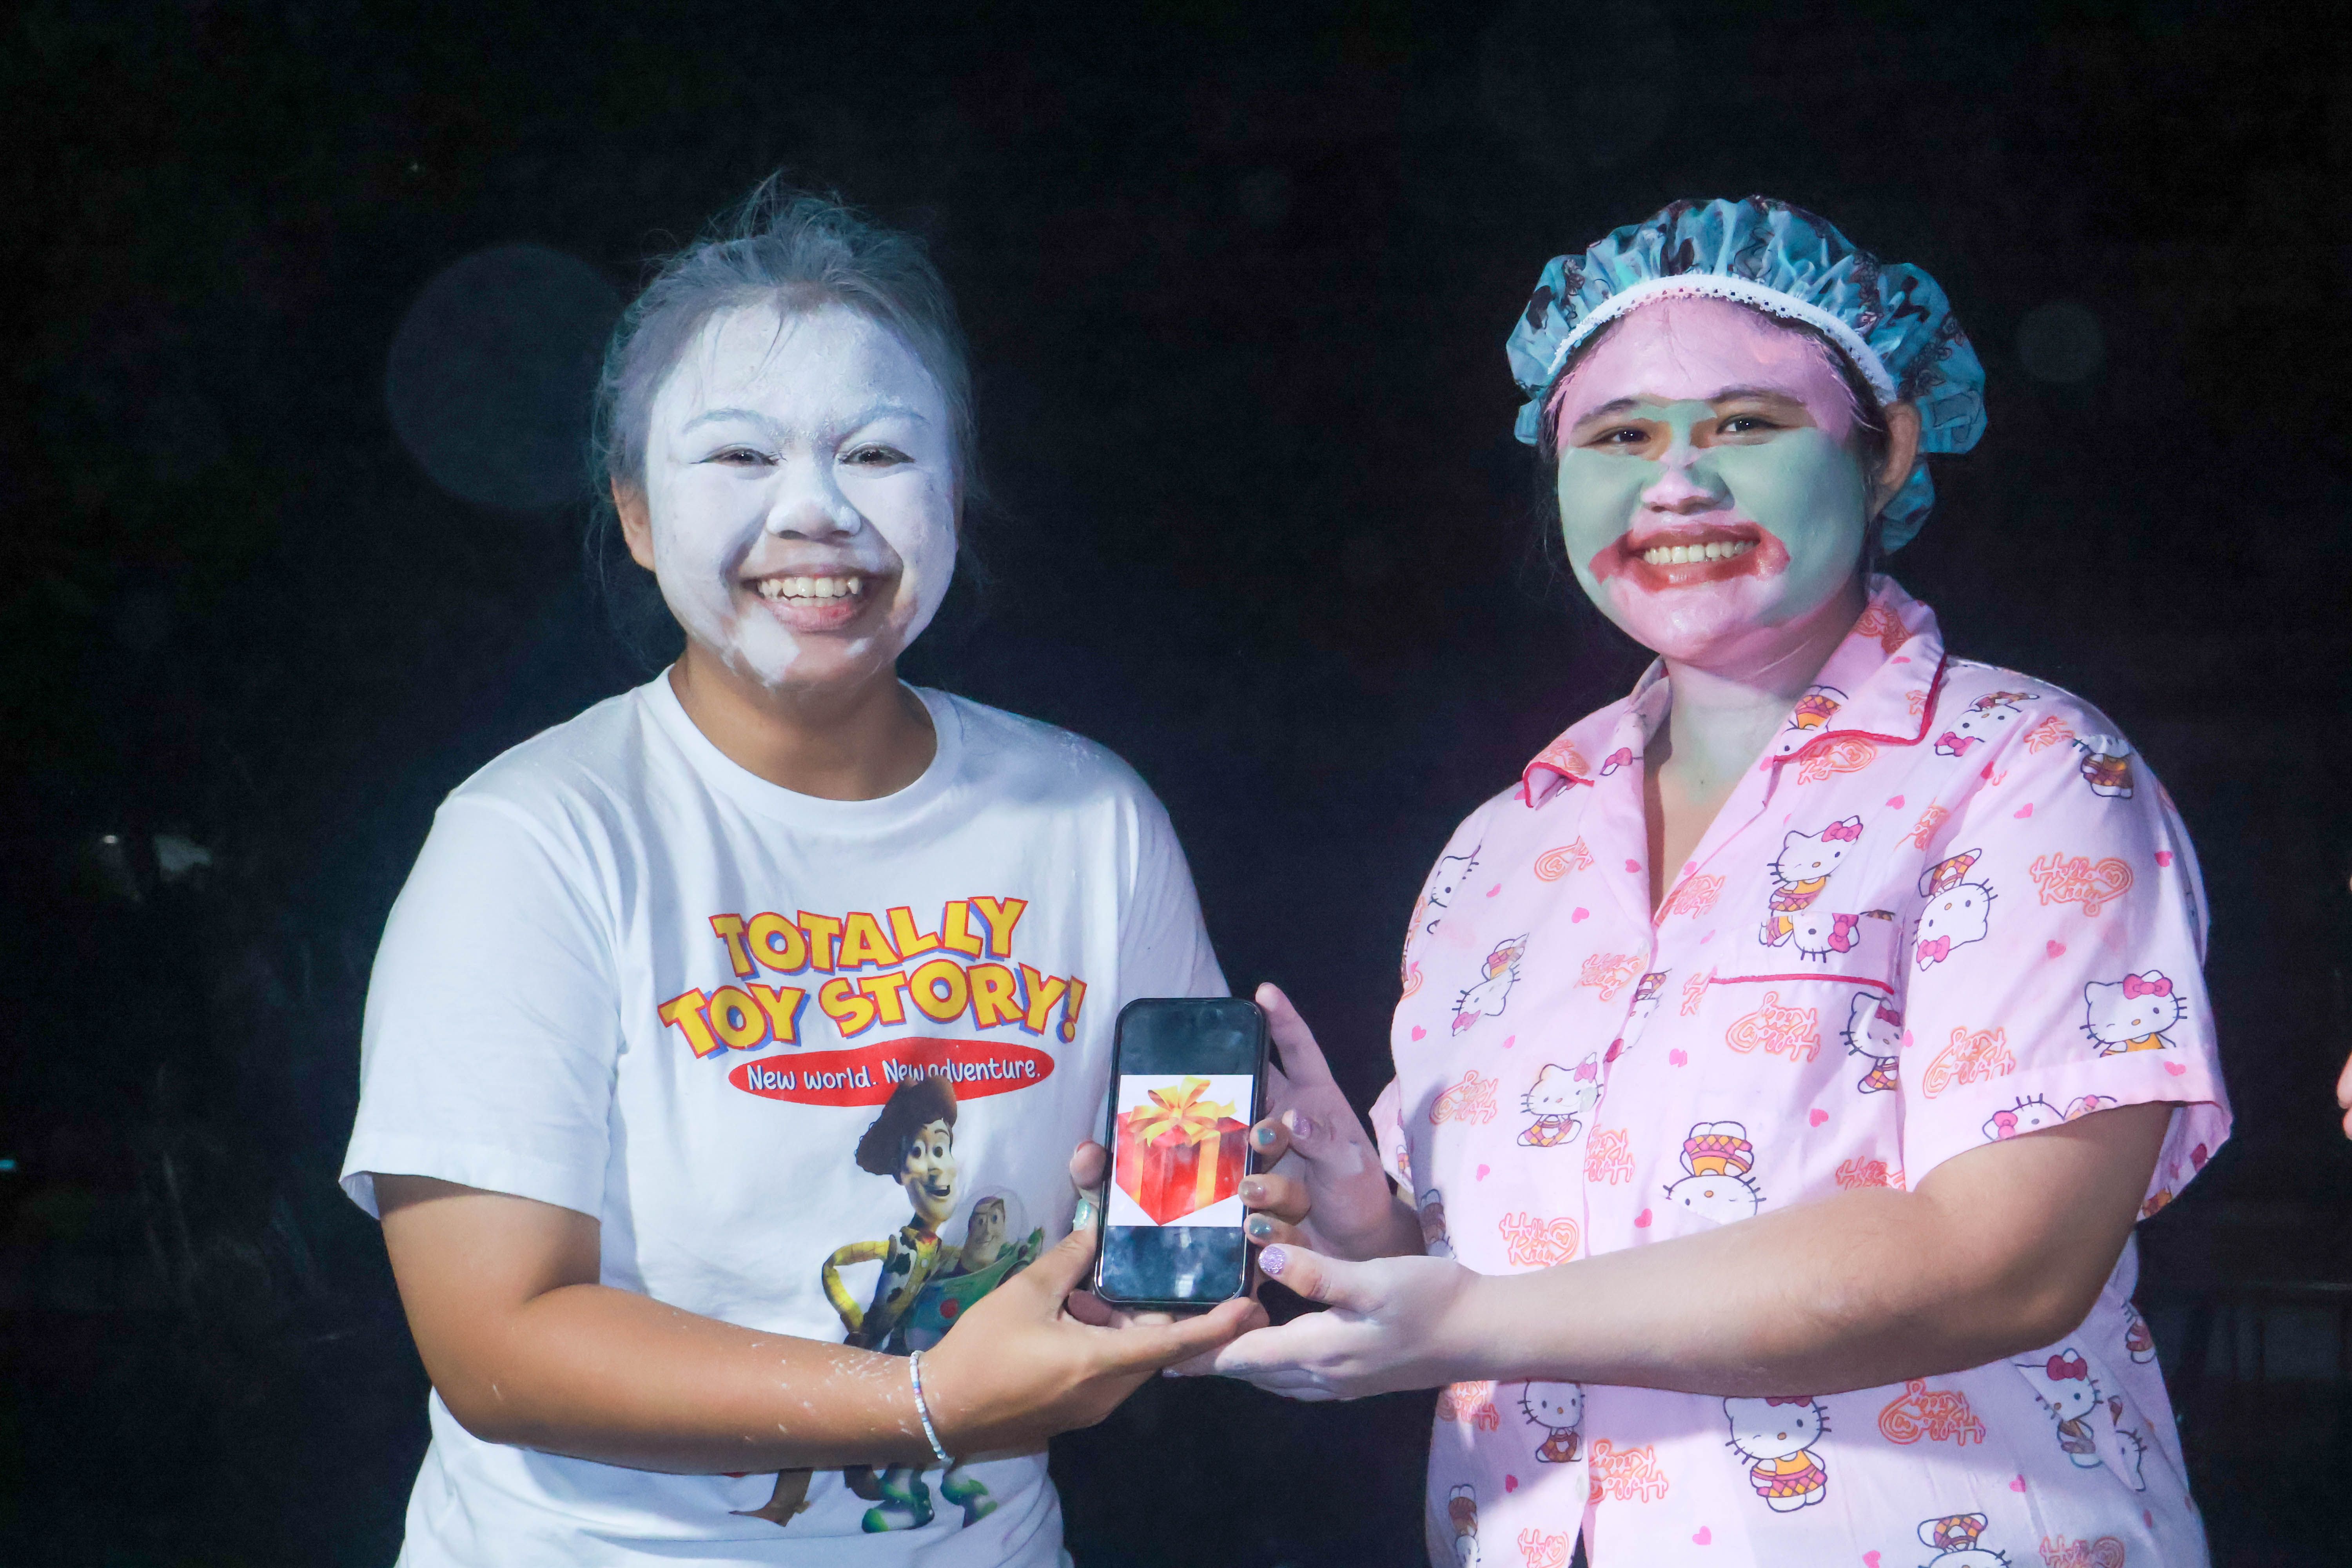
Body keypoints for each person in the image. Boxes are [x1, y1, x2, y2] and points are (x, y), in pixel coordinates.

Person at [1220, 197, 2228, 1566]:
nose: (1677, 485)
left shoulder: (2027, 772)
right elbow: (1480, 1277)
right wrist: (1361, 1219)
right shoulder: (1503, 847)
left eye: (1746, 424)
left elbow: (2013, 1259)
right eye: (1618, 437)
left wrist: (1470, 1321)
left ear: (1888, 453)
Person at [340, 180, 1259, 1567]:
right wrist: (927, 1403)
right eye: (739, 456)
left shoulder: (1092, 819)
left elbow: (1164, 1222)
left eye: (879, 452)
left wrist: (1216, 1256)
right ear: (637, 515)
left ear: (954, 497)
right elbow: (495, 1343)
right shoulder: (533, 839)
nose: (817, 511)